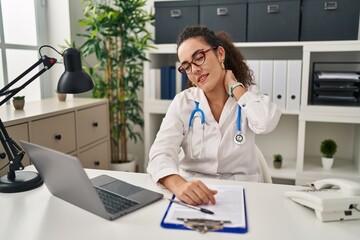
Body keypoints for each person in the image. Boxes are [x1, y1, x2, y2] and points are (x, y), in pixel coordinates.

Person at [147, 26, 281, 206]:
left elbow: (265, 122)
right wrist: (178, 184)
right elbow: (159, 153)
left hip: (244, 193)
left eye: (199, 58)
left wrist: (235, 87)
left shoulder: (247, 96)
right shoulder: (183, 102)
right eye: (186, 66)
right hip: (194, 194)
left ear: (220, 54)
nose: (194, 70)